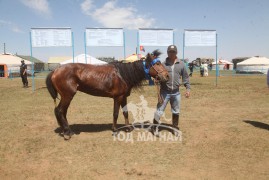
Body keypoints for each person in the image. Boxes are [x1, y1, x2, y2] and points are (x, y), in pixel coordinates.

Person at [152, 45, 190, 135]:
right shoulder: (163, 64)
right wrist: (156, 78)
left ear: (176, 53)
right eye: (169, 52)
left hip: (176, 93)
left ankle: (175, 128)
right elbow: (157, 75)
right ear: (167, 52)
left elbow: (185, 77)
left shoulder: (181, 64)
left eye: (173, 52)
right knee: (159, 111)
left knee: (176, 111)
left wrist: (188, 89)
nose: (171, 53)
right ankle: (155, 128)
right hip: (164, 92)